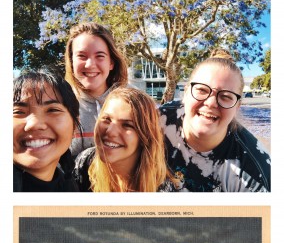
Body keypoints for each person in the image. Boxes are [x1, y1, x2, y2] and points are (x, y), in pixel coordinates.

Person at [160, 48, 271, 192]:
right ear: (186, 93)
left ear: (237, 106)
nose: (211, 103)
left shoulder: (255, 174)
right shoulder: (156, 121)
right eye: (201, 90)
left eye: (225, 96)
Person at [73, 87, 184, 192]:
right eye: (107, 119)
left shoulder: (164, 191)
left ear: (145, 136)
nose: (110, 131)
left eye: (127, 125)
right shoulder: (84, 164)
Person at [65, 22, 128, 157]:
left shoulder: (132, 105)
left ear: (111, 63)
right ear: (71, 61)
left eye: (100, 56)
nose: (90, 64)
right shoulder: (60, 106)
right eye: (82, 56)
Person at [13, 68, 81, 192]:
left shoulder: (70, 187)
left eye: (52, 110)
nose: (34, 124)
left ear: (74, 126)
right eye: (18, 112)